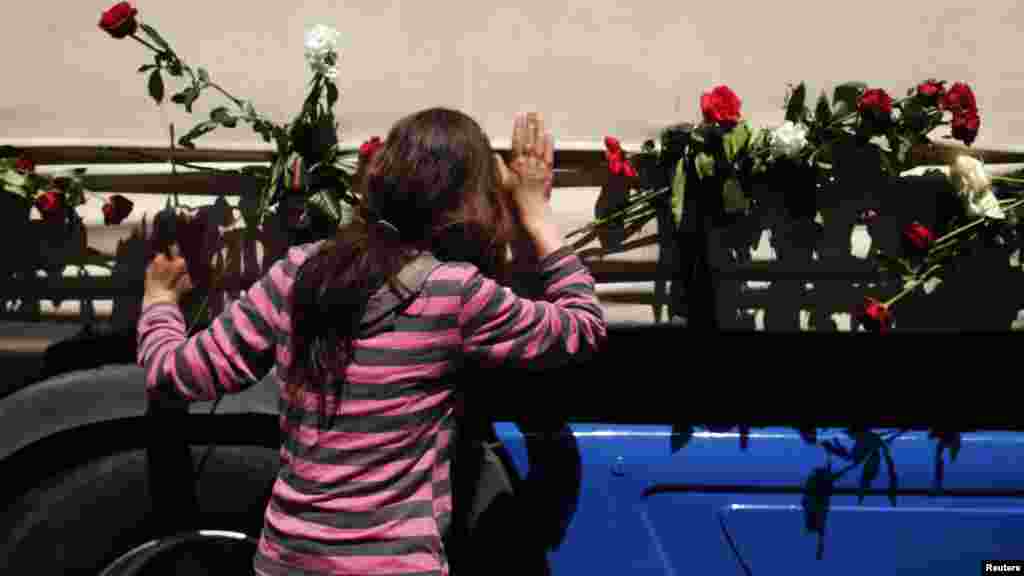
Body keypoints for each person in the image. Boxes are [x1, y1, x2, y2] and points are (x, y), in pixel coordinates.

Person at [137, 108, 607, 576]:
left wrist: (160, 301)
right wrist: (536, 212)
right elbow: (581, 328)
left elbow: (177, 374)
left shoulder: (298, 272)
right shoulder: (455, 293)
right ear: (471, 200)